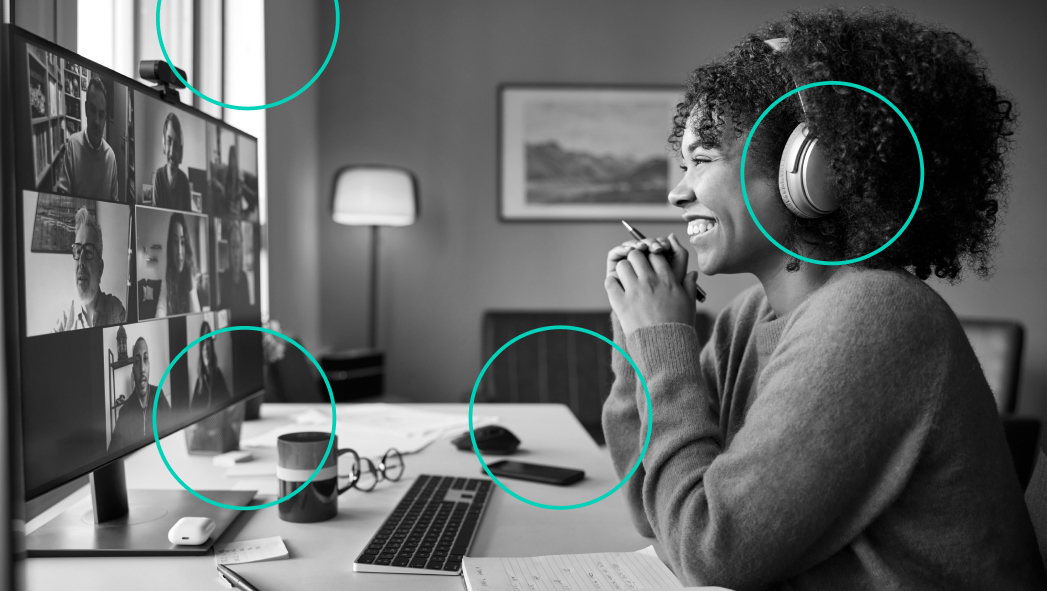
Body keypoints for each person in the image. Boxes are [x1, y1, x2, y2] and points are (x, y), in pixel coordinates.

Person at [601, 7, 1045, 590]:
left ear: (812, 173)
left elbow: (711, 548)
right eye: (684, 164)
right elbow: (655, 506)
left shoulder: (876, 317)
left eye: (704, 160)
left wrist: (662, 339)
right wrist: (638, 339)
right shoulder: (749, 319)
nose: (677, 190)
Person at [54, 206, 125, 331]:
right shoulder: (63, 318)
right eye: (77, 250)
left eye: (88, 251)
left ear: (100, 268)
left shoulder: (115, 309)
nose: (81, 262)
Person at [53, 76, 119, 201]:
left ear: (105, 117)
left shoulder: (111, 157)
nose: (96, 121)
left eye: (101, 114)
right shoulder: (73, 145)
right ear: (85, 109)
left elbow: (115, 203)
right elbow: (63, 195)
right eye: (92, 110)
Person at [110, 337, 171, 450]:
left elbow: (173, 440)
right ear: (133, 371)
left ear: (149, 366)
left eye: (145, 359)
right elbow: (112, 455)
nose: (142, 368)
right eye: (137, 362)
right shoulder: (125, 412)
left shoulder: (159, 396)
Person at [155, 213, 202, 317]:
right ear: (170, 246)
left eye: (183, 242)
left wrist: (191, 287)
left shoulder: (193, 276)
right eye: (175, 242)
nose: (179, 252)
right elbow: (160, 309)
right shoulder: (167, 276)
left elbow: (198, 319)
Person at [150, 112, 191, 211]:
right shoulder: (158, 176)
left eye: (176, 144)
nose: (172, 153)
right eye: (169, 142)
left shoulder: (184, 180)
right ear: (164, 144)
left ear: (180, 150)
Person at [190, 321, 231, 412]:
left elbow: (229, 405)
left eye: (208, 339)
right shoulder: (199, 383)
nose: (206, 347)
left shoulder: (218, 375)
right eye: (203, 341)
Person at [219, 221, 251, 309]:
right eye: (233, 247)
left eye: (238, 246)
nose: (236, 254)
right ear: (228, 250)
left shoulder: (244, 278)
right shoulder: (224, 280)